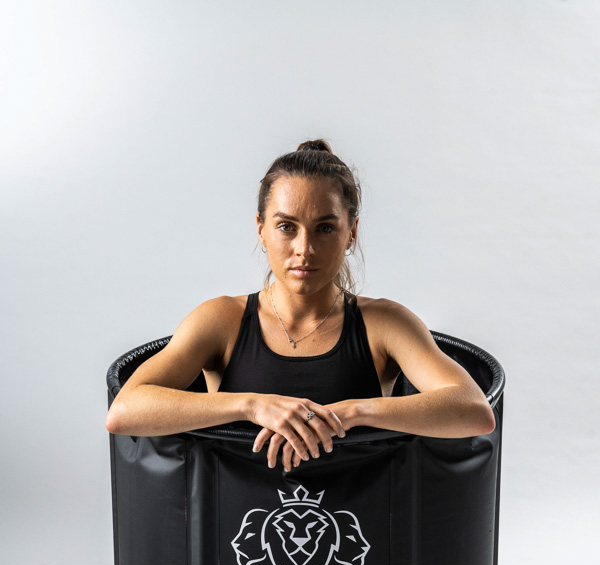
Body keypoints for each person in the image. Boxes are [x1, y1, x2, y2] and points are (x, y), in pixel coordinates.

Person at [105, 139, 495, 472]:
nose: (304, 249)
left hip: (359, 525)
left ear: (351, 233)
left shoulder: (385, 324)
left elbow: (475, 411)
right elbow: (125, 411)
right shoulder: (221, 320)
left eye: (325, 228)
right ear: (261, 229)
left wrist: (352, 413)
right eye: (286, 227)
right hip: (236, 527)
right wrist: (252, 407)